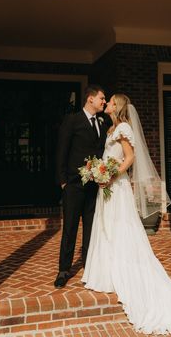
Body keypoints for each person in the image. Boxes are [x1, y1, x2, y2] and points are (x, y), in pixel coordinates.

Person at [82, 94, 171, 335]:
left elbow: (130, 157)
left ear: (118, 106)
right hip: (107, 187)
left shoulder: (123, 127)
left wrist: (110, 174)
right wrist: (99, 171)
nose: (107, 103)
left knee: (120, 226)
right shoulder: (111, 128)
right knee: (105, 226)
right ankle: (105, 272)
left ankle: (124, 269)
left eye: (111, 101)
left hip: (117, 185)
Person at [54, 85, 109, 289]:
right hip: (74, 185)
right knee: (70, 228)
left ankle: (89, 266)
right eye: (102, 98)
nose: (104, 101)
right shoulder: (73, 120)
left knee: (90, 228)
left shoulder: (102, 124)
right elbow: (62, 150)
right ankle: (64, 269)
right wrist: (63, 181)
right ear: (90, 99)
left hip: (94, 186)